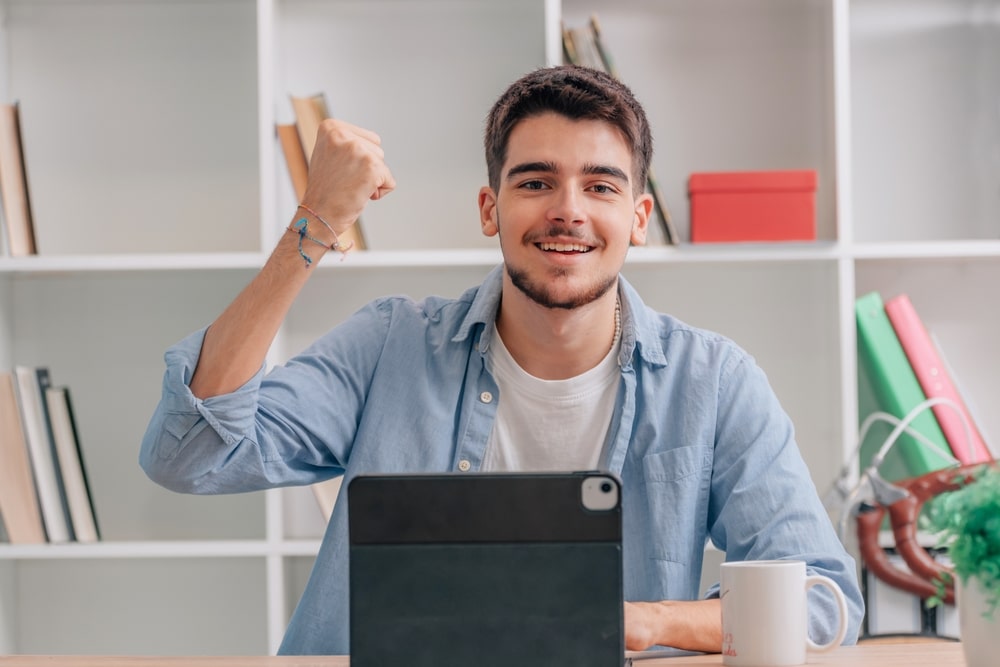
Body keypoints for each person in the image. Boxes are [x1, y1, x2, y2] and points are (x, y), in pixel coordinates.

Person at [140, 64, 864, 655]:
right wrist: (315, 222)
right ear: (490, 210)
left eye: (601, 185)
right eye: (536, 181)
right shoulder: (388, 345)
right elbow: (190, 451)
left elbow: (823, 600)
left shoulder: (714, 382)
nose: (568, 210)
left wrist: (644, 621)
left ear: (638, 219)